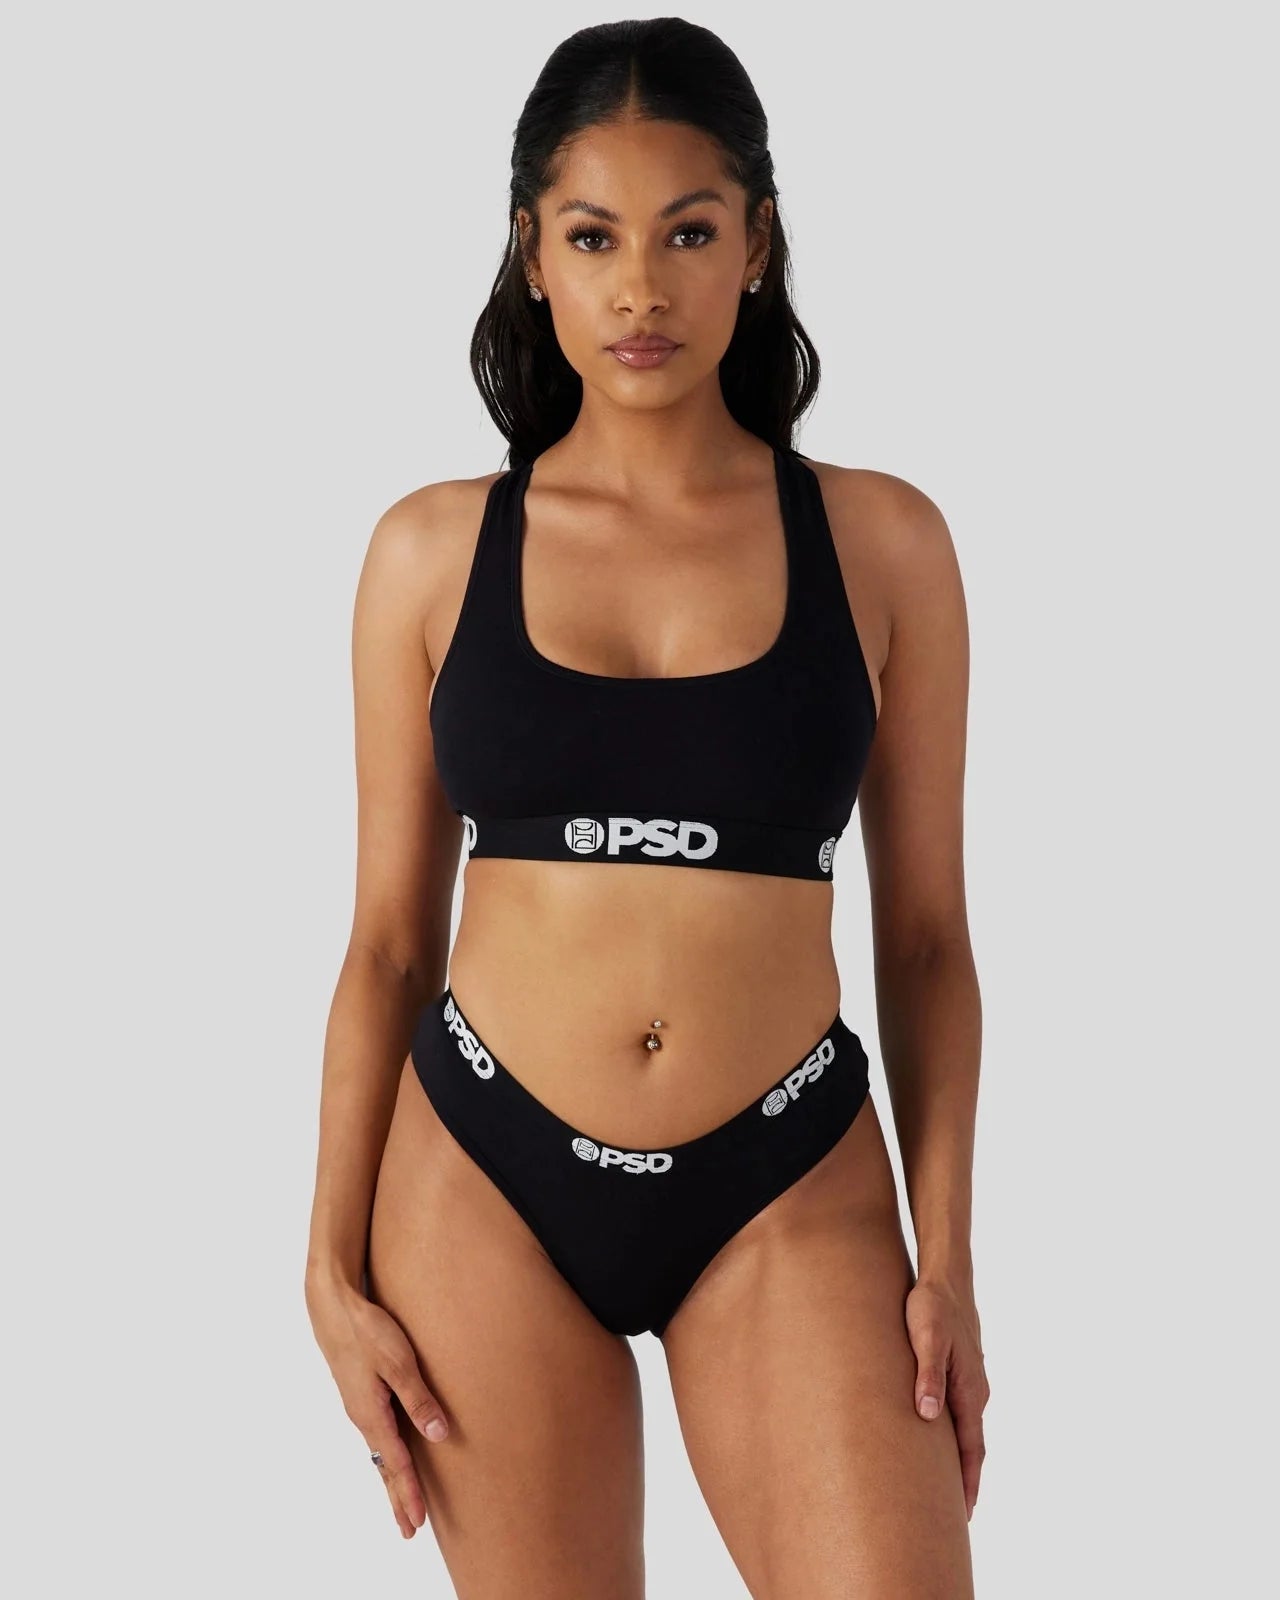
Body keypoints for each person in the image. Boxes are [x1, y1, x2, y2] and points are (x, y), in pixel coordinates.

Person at [305, 17, 987, 1596]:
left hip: (787, 1179)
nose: (639, 288)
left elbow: (930, 940)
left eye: (687, 231)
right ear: (531, 254)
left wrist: (947, 1255)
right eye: (592, 235)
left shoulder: (885, 544)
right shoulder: (429, 552)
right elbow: (389, 944)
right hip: (482, 1177)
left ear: (757, 244)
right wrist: (326, 1269)